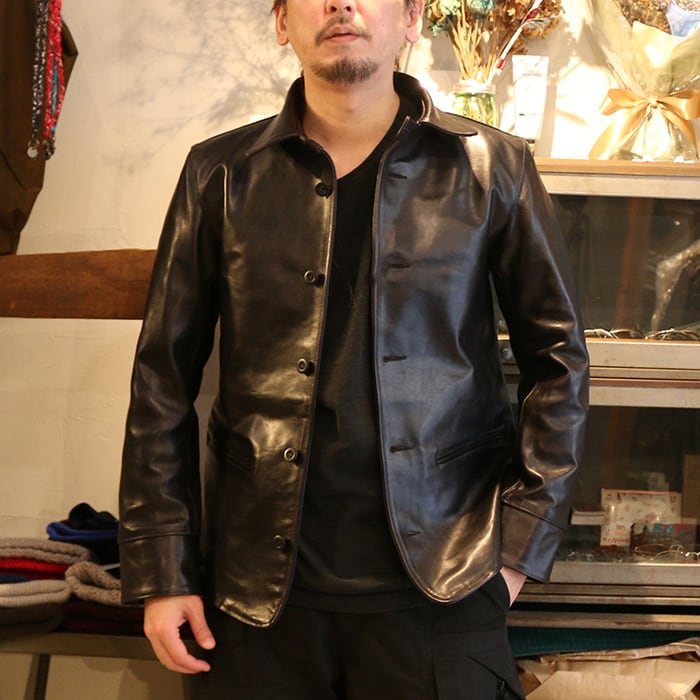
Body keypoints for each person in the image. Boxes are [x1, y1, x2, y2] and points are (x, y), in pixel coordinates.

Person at [118, 0, 589, 697]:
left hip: (445, 584)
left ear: (412, 17)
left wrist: (520, 547)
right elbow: (162, 377)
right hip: (254, 592)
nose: (341, 3)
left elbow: (559, 363)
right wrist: (163, 568)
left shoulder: (493, 166)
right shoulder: (220, 172)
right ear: (282, 22)